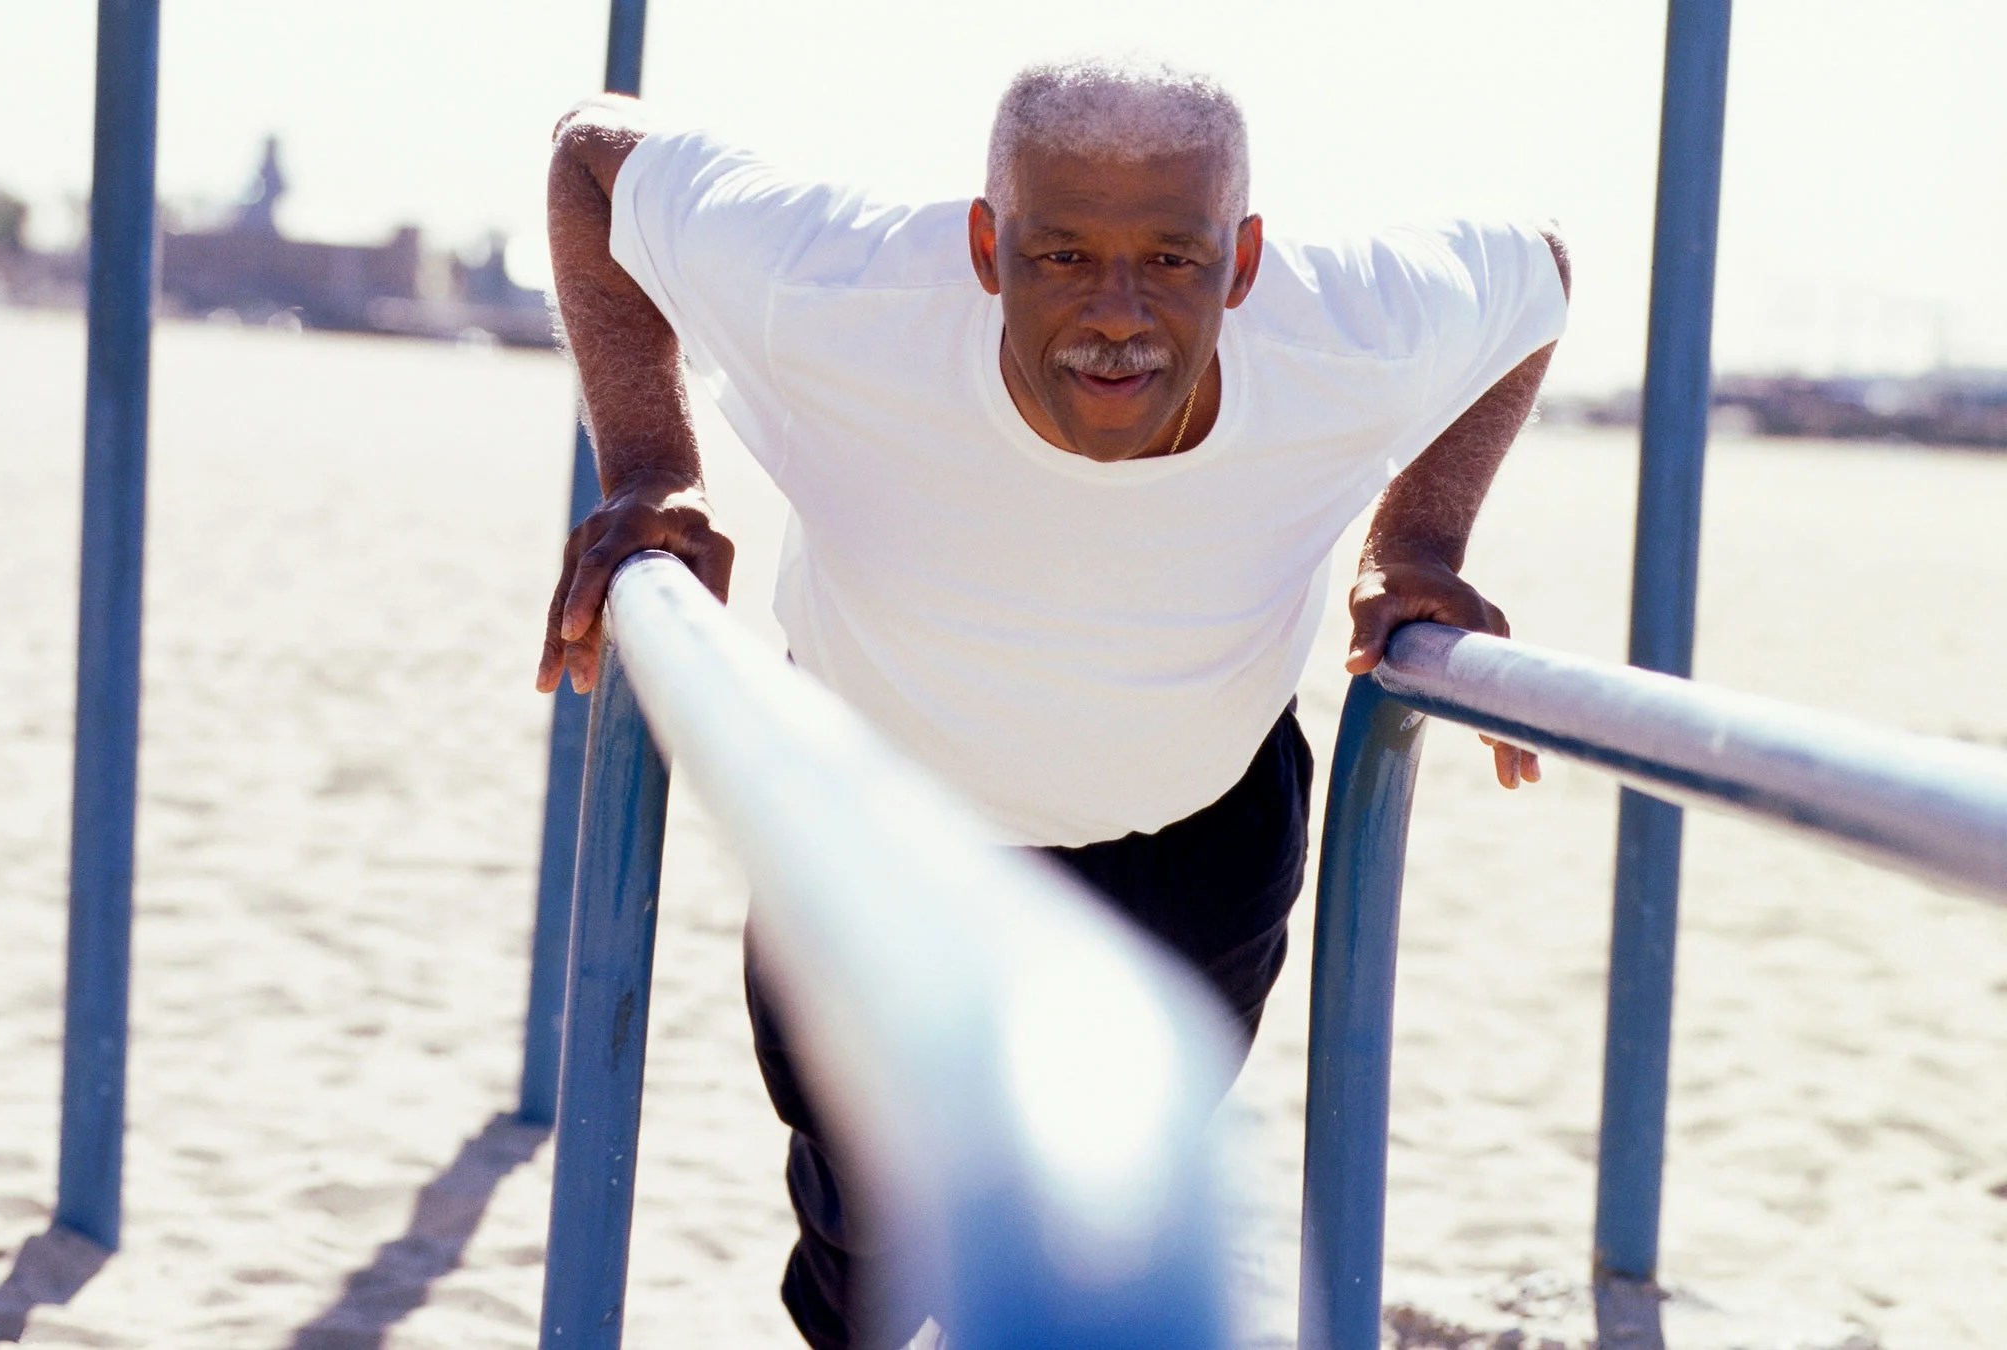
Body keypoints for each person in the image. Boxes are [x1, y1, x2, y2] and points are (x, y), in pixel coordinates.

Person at [535, 57, 1570, 1350]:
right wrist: (652, 465)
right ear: (986, 243)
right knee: (874, 1255)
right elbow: (590, 160)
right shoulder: (838, 288)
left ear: (1243, 262)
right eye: (1065, 255)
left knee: (1090, 1231)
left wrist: (1415, 540)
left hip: (1197, 841)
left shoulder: (1351, 330)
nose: (1118, 315)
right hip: (871, 837)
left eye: (1174, 262)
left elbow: (1538, 276)